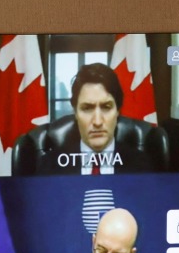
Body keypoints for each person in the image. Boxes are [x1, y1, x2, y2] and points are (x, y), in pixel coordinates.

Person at [12, 62, 159, 175]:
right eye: (87, 108)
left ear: (118, 111)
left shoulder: (142, 165)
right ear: (75, 112)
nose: (97, 122)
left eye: (106, 107)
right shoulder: (49, 166)